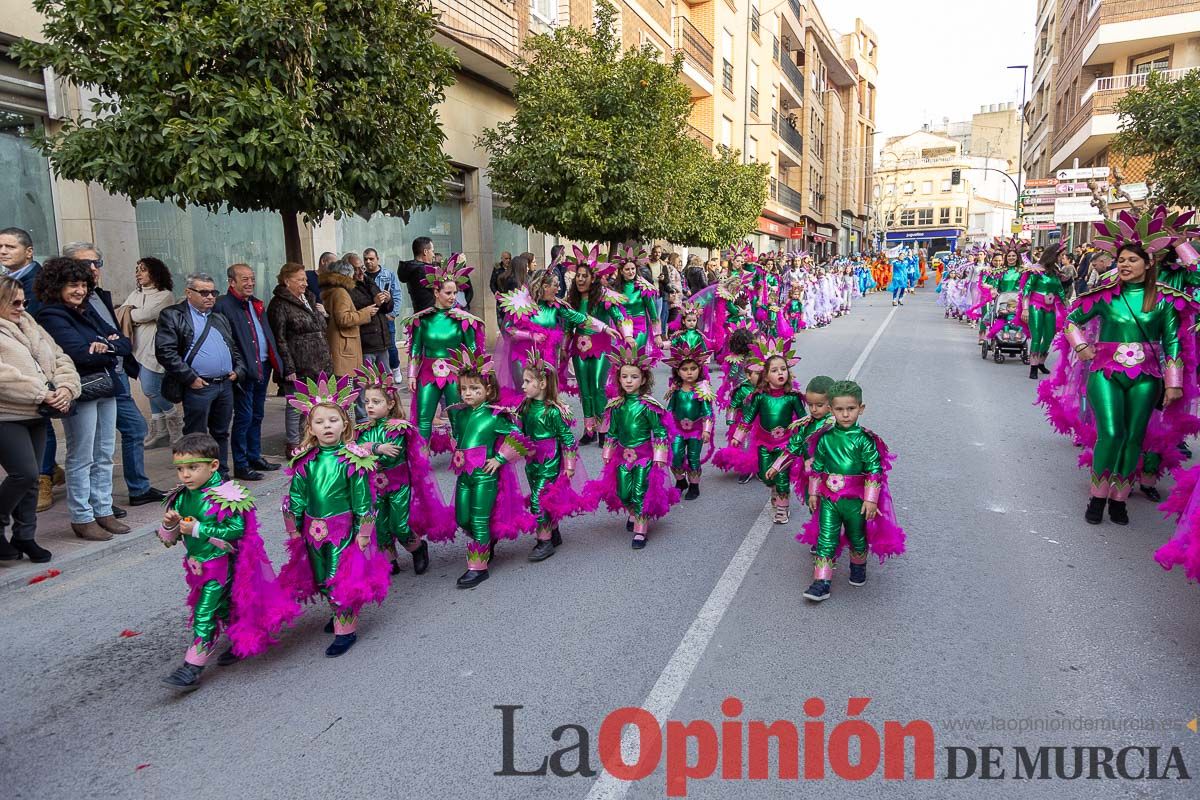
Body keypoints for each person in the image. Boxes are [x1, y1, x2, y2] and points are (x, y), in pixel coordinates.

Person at [1054, 238, 1193, 526]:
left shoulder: (1165, 300)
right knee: (1112, 433)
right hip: (1106, 375)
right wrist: (1081, 346)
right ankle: (1097, 497)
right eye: (1122, 260)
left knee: (1133, 438)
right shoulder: (1105, 296)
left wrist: (1173, 382)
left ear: (1148, 263)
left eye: (1132, 260)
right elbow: (1071, 320)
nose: (1125, 265)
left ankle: (1119, 500)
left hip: (1146, 378)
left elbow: (1171, 342)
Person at [157, 433, 299, 690]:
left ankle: (191, 668)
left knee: (204, 612)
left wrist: (199, 529)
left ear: (212, 465)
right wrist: (169, 526)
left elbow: (236, 530)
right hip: (197, 566)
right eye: (180, 469)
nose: (185, 475)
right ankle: (242, 640)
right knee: (226, 608)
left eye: (192, 467)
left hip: (223, 566)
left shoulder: (228, 495)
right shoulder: (180, 497)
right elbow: (170, 538)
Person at [278, 374, 389, 658]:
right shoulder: (305, 461)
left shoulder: (353, 460)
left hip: (343, 532)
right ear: (311, 428)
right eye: (320, 422)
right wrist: (293, 529)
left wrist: (363, 534)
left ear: (345, 424)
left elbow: (363, 502)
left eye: (333, 420)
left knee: (338, 577)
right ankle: (340, 611)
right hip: (313, 532)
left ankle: (345, 630)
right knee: (322, 579)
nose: (327, 426)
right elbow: (297, 496)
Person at [35, 257, 131, 540]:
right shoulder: (52, 315)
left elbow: (124, 344)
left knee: (104, 454)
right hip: (79, 391)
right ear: (57, 285)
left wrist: (107, 345)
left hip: (105, 387)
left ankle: (103, 510)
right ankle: (81, 516)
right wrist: (106, 346)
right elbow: (78, 353)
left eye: (83, 285)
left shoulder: (87, 310)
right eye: (72, 285)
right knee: (81, 455)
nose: (79, 290)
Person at [64, 242, 164, 509]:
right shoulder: (67, 302)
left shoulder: (97, 295)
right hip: (91, 379)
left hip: (116, 374)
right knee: (91, 448)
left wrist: (113, 344)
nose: (94, 269)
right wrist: (110, 345)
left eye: (97, 263)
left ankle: (132, 491)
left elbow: (119, 340)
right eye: (86, 264)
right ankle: (95, 505)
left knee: (128, 432)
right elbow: (85, 347)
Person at [799, 380, 905, 602]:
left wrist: (871, 500)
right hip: (829, 500)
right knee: (826, 537)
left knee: (857, 537)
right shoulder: (825, 437)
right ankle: (821, 582)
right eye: (839, 409)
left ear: (861, 408)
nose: (845, 414)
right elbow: (817, 466)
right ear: (831, 409)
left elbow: (874, 470)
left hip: (856, 501)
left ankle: (858, 567)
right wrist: (813, 493)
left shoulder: (865, 440)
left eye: (851, 409)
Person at [0, 275, 78, 563]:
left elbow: (60, 359)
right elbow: (3, 376)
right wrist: (41, 392)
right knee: (25, 473)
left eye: (24, 301)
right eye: (14, 302)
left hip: (37, 413)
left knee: (33, 481)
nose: (21, 307)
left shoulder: (31, 325)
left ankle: (25, 537)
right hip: (6, 415)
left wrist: (66, 389)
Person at [443, 348, 535, 587]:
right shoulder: (459, 414)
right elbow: (457, 437)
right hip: (464, 476)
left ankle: (478, 566)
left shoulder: (496, 416)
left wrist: (500, 459)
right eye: (464, 389)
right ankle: (486, 541)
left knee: (479, 519)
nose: (468, 393)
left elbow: (519, 437)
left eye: (475, 389)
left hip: (485, 476)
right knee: (463, 518)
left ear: (489, 390)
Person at [353, 362, 453, 575]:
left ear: (390, 404)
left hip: (398, 486)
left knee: (399, 525)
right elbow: (354, 450)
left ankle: (418, 548)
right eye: (367, 401)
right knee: (380, 527)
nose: (370, 406)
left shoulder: (399, 428)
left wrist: (369, 450)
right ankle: (390, 560)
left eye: (376, 401)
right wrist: (374, 447)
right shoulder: (362, 430)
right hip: (374, 488)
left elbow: (394, 451)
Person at [584, 345, 680, 548]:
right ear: (618, 378)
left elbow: (660, 432)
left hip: (644, 458)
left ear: (643, 379)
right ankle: (633, 513)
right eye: (624, 376)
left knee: (639, 493)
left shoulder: (649, 406)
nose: (628, 381)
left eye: (634, 377)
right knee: (623, 493)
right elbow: (612, 431)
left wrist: (660, 457)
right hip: (622, 458)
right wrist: (608, 451)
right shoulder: (616, 406)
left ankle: (640, 530)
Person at [155, 273, 246, 478]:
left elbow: (234, 348)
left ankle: (220, 473)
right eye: (204, 292)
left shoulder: (219, 317)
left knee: (221, 432)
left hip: (224, 384)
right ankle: (197, 477)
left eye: (213, 292)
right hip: (199, 385)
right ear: (189, 293)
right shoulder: (173, 315)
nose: (210, 297)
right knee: (196, 435)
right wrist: (190, 378)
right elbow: (165, 352)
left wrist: (237, 371)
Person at [405, 256, 485, 446]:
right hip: (426, 372)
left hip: (456, 373)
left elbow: (472, 349)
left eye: (455, 293)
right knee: (424, 418)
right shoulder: (422, 320)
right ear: (436, 292)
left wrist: (476, 376)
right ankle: (420, 460)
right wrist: (410, 375)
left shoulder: (464, 320)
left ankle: (463, 454)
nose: (452, 297)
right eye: (448, 292)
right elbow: (415, 348)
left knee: (458, 416)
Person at [518, 353, 587, 562]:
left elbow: (567, 439)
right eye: (523, 381)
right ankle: (554, 532)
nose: (523, 386)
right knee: (540, 497)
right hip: (532, 463)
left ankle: (544, 541)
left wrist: (569, 465)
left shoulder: (553, 412)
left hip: (549, 462)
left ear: (542, 383)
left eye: (527, 382)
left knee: (538, 500)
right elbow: (517, 428)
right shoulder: (525, 407)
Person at [215, 263, 281, 481]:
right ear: (231, 282)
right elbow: (224, 339)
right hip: (243, 371)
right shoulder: (223, 305)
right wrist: (236, 368)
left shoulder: (255, 304)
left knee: (257, 415)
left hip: (262, 366)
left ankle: (254, 456)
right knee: (244, 417)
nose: (250, 283)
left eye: (252, 278)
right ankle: (241, 463)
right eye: (244, 279)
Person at [730, 339, 807, 524]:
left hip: (786, 445)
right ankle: (775, 491)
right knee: (766, 477)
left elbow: (803, 419)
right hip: (764, 443)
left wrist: (804, 440)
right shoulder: (759, 397)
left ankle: (782, 508)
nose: (780, 373)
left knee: (781, 477)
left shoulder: (793, 397)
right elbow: (748, 417)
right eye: (774, 370)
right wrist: (737, 436)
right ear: (764, 376)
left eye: (783, 369)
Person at [267, 262, 334, 454]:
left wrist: (324, 314)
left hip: (319, 361)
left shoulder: (310, 298)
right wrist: (289, 368)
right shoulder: (279, 304)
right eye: (300, 279)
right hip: (298, 363)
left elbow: (320, 327)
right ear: (287, 281)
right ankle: (293, 443)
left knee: (314, 404)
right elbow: (279, 339)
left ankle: (309, 439)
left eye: (305, 279)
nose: (305, 283)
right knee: (296, 405)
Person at [120, 256, 178, 448]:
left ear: (155, 272)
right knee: (153, 391)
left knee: (150, 388)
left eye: (143, 269)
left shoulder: (164, 295)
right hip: (137, 348)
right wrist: (130, 312)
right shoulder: (135, 294)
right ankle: (160, 432)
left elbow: (144, 314)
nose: (139, 273)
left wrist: (130, 313)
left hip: (155, 350)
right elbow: (121, 311)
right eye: (137, 269)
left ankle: (176, 422)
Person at [664, 343, 714, 501]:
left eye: (693, 368)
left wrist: (706, 430)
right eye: (685, 369)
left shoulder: (702, 389)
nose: (689, 372)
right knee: (675, 455)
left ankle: (694, 486)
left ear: (699, 369)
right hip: (678, 430)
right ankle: (681, 482)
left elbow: (707, 412)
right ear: (678, 371)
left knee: (693, 457)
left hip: (695, 431)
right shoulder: (676, 390)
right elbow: (670, 411)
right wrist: (666, 428)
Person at [318, 258, 379, 378]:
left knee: (344, 389)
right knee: (347, 390)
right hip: (344, 347)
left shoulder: (333, 290)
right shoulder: (341, 292)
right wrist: (366, 312)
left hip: (341, 345)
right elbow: (343, 319)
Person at [344, 252, 393, 376]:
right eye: (356, 269)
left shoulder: (368, 280)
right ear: (347, 270)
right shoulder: (346, 288)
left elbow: (385, 309)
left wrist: (387, 300)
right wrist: (375, 303)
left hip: (381, 340)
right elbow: (355, 311)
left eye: (362, 268)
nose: (361, 272)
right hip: (366, 343)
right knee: (368, 384)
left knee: (386, 382)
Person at [363, 248, 402, 376]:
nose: (368, 262)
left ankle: (395, 368)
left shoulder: (388, 274)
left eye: (371, 259)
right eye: (366, 259)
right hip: (371, 317)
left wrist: (393, 314)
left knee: (390, 345)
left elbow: (397, 294)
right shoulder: (362, 277)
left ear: (377, 259)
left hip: (386, 315)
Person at [395, 236, 438, 314]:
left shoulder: (413, 268)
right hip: (431, 316)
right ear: (425, 252)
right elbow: (443, 287)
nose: (434, 255)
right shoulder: (423, 270)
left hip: (420, 314)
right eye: (432, 251)